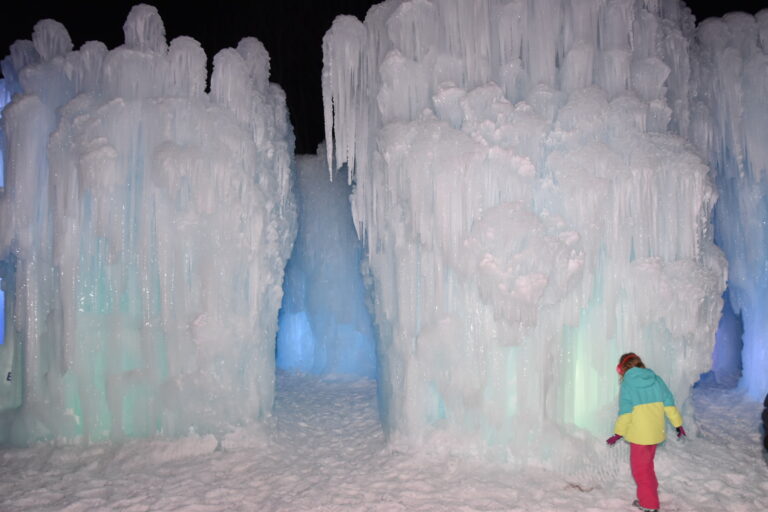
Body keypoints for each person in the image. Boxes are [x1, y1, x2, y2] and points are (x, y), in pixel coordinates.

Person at [605, 353, 686, 512]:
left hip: (639, 437)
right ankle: (649, 495)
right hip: (655, 434)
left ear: (621, 369)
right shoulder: (656, 379)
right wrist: (678, 424)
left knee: (641, 471)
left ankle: (649, 504)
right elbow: (669, 404)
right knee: (647, 467)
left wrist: (618, 433)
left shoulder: (628, 384)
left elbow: (626, 413)